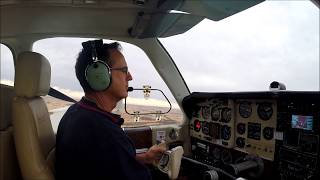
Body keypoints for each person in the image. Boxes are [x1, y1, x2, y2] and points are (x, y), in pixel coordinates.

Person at [55, 39, 166, 180]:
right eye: (124, 70)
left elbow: (105, 162)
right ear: (99, 75)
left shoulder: (76, 112)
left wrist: (144, 157)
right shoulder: (105, 133)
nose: (130, 77)